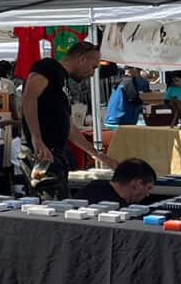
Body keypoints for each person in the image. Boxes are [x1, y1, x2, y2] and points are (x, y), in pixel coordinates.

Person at [21, 42, 115, 199]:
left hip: (53, 152)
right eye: (93, 66)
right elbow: (29, 97)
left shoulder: (62, 82)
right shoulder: (50, 67)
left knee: (58, 204)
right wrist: (36, 137)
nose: (92, 74)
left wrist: (98, 155)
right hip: (43, 152)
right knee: (53, 205)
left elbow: (70, 128)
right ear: (81, 59)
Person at [79, 158, 157, 207]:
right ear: (136, 184)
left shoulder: (93, 186)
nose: (147, 194)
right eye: (148, 188)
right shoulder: (118, 210)